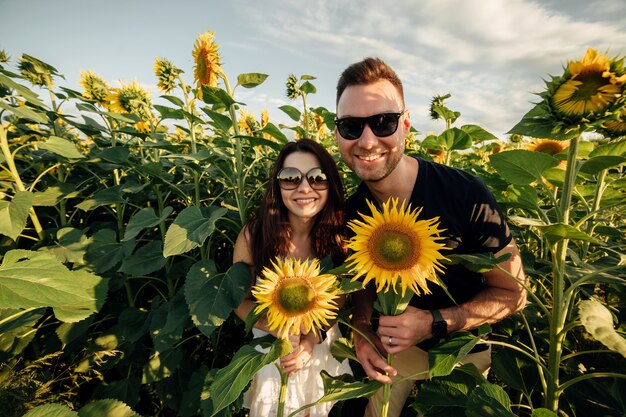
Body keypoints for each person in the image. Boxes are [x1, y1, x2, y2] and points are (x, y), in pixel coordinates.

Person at [333, 57, 527, 417]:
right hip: (390, 355)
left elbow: (513, 293)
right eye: (350, 126)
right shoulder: (350, 210)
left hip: (461, 358)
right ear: (337, 133)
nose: (367, 139)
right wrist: (361, 329)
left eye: (383, 122)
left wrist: (435, 321)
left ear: (406, 124)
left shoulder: (464, 192)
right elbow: (360, 284)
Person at [233, 138, 353, 417]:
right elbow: (239, 298)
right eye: (290, 178)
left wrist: (310, 339)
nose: (304, 188)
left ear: (330, 184)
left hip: (320, 343)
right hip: (270, 345)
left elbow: (340, 299)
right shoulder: (254, 234)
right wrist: (278, 329)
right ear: (277, 185)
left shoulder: (339, 238)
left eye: (317, 177)